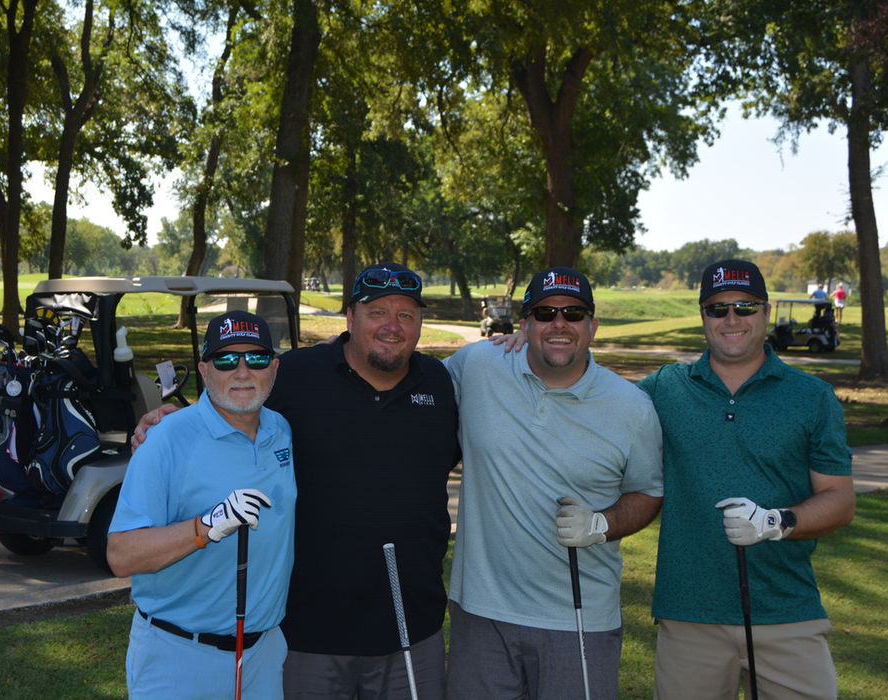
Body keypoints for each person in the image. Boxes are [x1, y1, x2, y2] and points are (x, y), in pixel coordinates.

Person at [134, 263, 460, 699]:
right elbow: (232, 399)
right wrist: (168, 420)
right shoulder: (298, 374)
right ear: (350, 318)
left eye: (406, 314)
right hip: (310, 635)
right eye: (377, 311)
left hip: (411, 629)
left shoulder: (438, 384)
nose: (392, 326)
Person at [637, 259, 854, 699]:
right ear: (703, 316)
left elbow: (839, 500)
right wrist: (521, 343)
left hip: (787, 613)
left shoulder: (812, 396)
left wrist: (775, 522)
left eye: (745, 305)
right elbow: (588, 396)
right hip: (689, 615)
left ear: (765, 312)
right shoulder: (665, 388)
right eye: (718, 308)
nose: (732, 318)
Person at [445, 267, 665, 699]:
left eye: (574, 313)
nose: (559, 324)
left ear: (593, 326)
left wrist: (601, 524)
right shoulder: (478, 365)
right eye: (545, 314)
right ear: (524, 325)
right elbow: (407, 390)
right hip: (482, 613)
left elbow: (648, 491)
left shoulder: (631, 408)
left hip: (580, 621)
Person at [107, 310, 296, 699]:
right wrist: (206, 526)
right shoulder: (164, 439)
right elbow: (121, 555)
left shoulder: (282, 430)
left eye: (256, 359)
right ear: (205, 370)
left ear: (274, 368)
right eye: (226, 360)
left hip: (264, 653)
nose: (242, 372)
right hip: (179, 655)